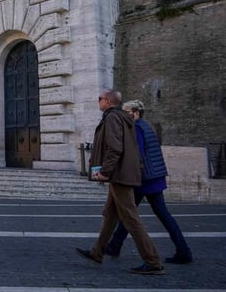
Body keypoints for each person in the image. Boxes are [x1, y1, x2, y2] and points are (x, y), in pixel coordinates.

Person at [75, 89, 165, 275]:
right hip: (123, 173)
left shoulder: (112, 119)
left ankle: (153, 261)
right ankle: (97, 252)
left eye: (99, 98)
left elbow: (115, 148)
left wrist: (105, 172)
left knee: (131, 218)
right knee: (111, 214)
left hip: (118, 174)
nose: (97, 101)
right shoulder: (125, 119)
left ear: (107, 101)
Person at [104, 100, 194, 264]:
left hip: (145, 178)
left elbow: (136, 154)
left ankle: (182, 251)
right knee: (137, 213)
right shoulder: (145, 125)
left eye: (126, 112)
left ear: (135, 113)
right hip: (153, 176)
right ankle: (115, 245)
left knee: (131, 214)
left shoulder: (137, 128)